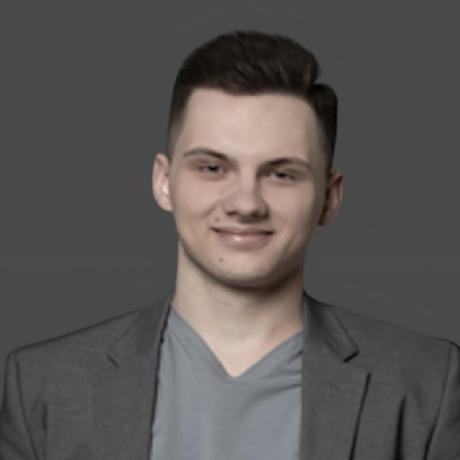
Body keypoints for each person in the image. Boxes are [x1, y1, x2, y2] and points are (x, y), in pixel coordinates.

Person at [0, 29, 459, 460]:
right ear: (163, 181)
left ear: (329, 197)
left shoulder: (425, 383)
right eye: (212, 168)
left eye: (282, 174)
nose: (246, 203)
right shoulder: (43, 387)